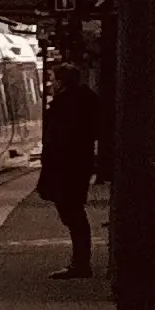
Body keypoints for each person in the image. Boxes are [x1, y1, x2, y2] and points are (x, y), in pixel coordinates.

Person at [39, 70, 106, 279]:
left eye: (54, 79)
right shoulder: (83, 102)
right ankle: (80, 262)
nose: (51, 83)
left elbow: (57, 140)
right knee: (74, 214)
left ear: (62, 82)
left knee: (73, 215)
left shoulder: (66, 106)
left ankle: (81, 264)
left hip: (67, 168)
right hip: (77, 166)